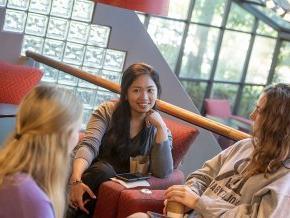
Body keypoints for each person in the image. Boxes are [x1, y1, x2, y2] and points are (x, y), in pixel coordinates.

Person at [129, 83, 290, 218]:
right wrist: (187, 195)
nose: (252, 115)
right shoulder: (244, 145)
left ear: (276, 122)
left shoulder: (285, 178)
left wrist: (199, 203)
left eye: (260, 111)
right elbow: (203, 175)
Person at [67, 63, 173, 217]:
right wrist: (75, 180)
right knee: (104, 170)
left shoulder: (159, 128)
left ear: (157, 92)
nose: (144, 97)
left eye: (150, 90)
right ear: (125, 93)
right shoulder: (107, 111)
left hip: (118, 188)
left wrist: (161, 128)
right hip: (90, 175)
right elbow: (89, 144)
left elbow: (163, 172)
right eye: (136, 90)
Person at [0, 85, 83, 218]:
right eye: (77, 130)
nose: (79, 137)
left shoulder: (10, 175)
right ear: (65, 136)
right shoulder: (31, 199)